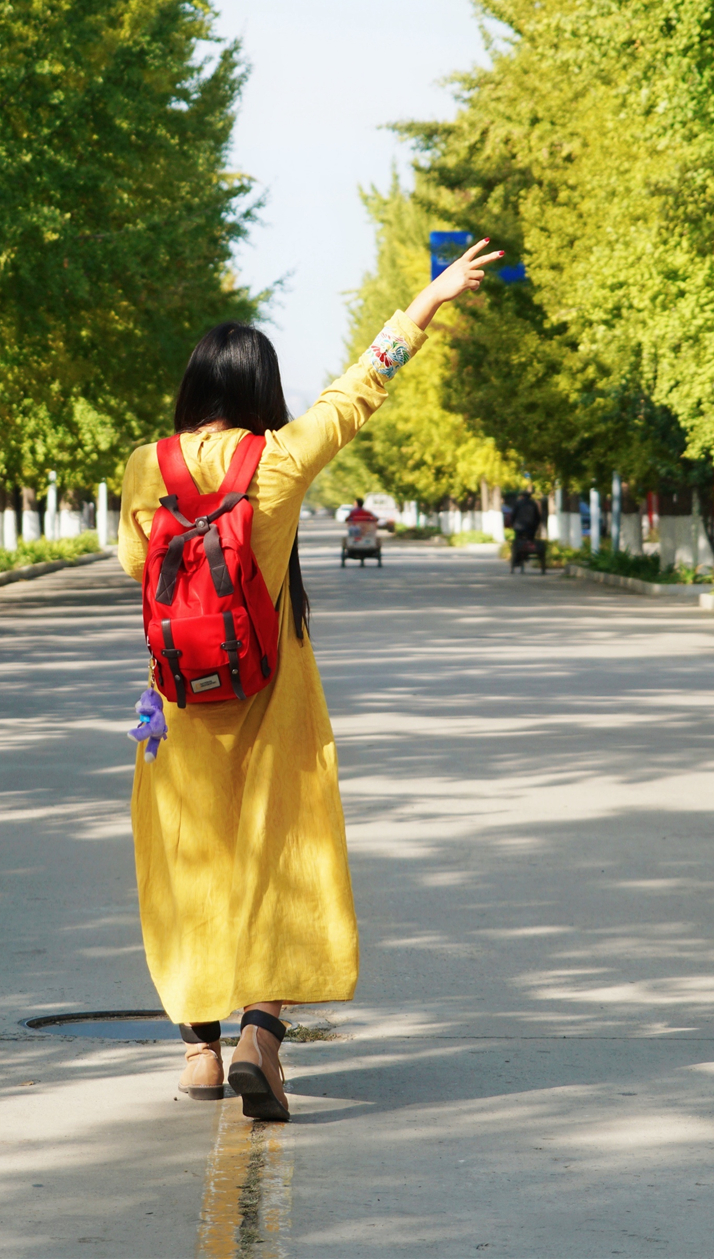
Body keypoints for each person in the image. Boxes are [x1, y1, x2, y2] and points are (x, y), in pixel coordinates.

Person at [117, 238, 503, 1121]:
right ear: (258, 391)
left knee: (186, 860)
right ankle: (263, 1032)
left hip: (175, 704)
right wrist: (429, 300)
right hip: (274, 698)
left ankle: (201, 1054)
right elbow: (362, 385)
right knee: (280, 856)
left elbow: (137, 567)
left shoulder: (146, 467)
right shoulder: (281, 462)